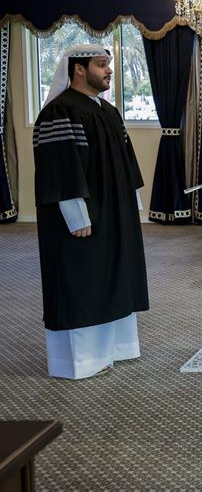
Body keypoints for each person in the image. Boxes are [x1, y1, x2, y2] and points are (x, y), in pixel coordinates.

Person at [33, 44, 148, 379]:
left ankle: (116, 349)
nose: (109, 70)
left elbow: (124, 162)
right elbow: (61, 168)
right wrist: (76, 215)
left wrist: (131, 204)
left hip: (115, 212)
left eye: (108, 64)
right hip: (82, 215)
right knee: (83, 279)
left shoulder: (108, 112)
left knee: (115, 276)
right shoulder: (60, 111)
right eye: (101, 65)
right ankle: (82, 360)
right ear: (78, 69)